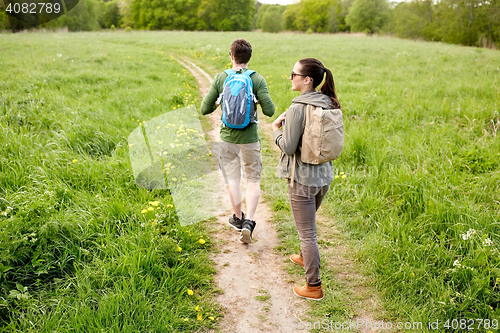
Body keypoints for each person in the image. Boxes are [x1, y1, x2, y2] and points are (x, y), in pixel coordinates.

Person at [272, 58, 341, 300]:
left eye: (293, 74)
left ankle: (313, 286)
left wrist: (276, 130)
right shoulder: (328, 102)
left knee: (308, 233)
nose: (290, 77)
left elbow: (289, 147)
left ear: (307, 79)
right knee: (309, 229)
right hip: (324, 176)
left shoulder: (297, 108)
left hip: (302, 179)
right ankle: (303, 257)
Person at [201, 39, 275, 244]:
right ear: (249, 58)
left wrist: (219, 103)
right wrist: (257, 100)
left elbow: (204, 109)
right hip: (250, 138)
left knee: (232, 179)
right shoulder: (257, 79)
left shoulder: (221, 78)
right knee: (253, 179)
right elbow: (270, 111)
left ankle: (237, 218)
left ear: (231, 56)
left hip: (227, 138)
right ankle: (249, 222)